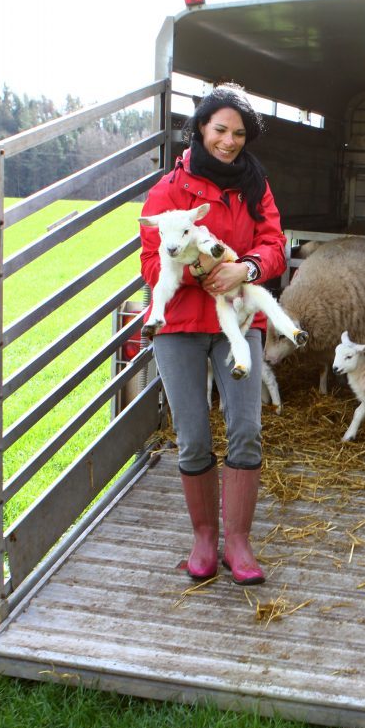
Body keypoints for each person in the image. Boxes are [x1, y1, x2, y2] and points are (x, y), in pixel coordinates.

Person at [139, 82, 287, 584]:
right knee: (193, 435)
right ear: (201, 128)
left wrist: (244, 269)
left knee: (246, 428)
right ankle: (204, 537)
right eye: (220, 129)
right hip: (180, 323)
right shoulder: (168, 192)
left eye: (239, 133)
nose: (228, 141)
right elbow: (149, 261)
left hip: (239, 321)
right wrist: (201, 270)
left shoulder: (254, 186)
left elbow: (274, 246)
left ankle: (238, 543)